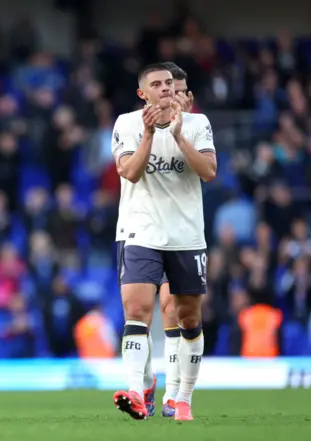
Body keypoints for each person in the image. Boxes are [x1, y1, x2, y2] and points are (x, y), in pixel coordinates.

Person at [111, 63, 216, 421]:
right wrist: (149, 134)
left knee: (187, 317)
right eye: (156, 84)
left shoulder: (198, 124)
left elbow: (209, 173)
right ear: (143, 94)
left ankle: (182, 398)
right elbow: (130, 172)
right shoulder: (127, 123)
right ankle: (137, 394)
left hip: (186, 236)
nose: (166, 88)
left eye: (169, 83)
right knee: (136, 311)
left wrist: (179, 134)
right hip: (140, 232)